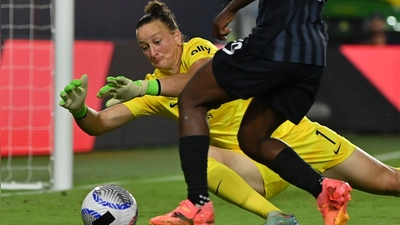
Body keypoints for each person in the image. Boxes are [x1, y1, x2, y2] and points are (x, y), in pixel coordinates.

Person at [58, 1, 400, 225]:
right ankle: (278, 218)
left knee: (390, 181)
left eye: (158, 41)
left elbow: (196, 81)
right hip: (254, 163)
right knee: (202, 157)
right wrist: (79, 111)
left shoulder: (198, 51)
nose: (153, 52)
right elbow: (101, 123)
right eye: (145, 47)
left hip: (299, 139)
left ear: (177, 36)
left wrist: (145, 88)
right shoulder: (153, 88)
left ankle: (202, 205)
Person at [155, 0, 352, 225]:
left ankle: (197, 203)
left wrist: (231, 8)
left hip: (275, 42)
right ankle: (324, 190)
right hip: (313, 53)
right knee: (253, 138)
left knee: (191, 99)